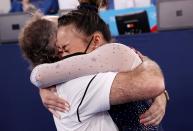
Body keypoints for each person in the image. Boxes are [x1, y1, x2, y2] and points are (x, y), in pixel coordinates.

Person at [19, 3, 166, 131]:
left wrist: (161, 94)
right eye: (62, 41)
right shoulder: (79, 85)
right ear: (57, 51)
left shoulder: (65, 79)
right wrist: (158, 89)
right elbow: (152, 82)